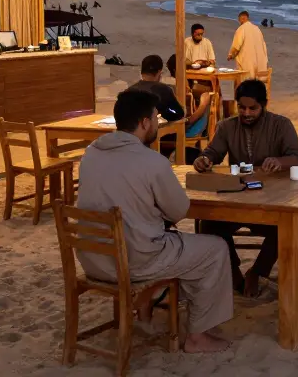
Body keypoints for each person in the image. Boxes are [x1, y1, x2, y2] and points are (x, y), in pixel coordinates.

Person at [75, 89, 232, 353]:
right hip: (133, 262)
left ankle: (149, 308)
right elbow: (179, 210)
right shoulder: (151, 161)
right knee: (214, 249)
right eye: (156, 118)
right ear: (144, 123)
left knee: (160, 237)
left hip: (94, 260)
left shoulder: (91, 153)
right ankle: (197, 336)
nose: (158, 124)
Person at [193, 79, 298, 297]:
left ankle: (257, 273)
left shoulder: (281, 125)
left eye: (252, 108)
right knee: (208, 223)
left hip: (271, 202)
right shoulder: (227, 126)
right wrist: (204, 159)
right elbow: (213, 152)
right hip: (236, 199)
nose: (246, 113)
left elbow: (297, 157)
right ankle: (233, 271)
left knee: (291, 227)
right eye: (242, 107)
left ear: (264, 105)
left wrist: (280, 162)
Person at [165, 55, 210, 165]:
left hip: (185, 126)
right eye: (186, 68)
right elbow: (188, 119)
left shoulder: (181, 87)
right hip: (187, 126)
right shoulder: (180, 88)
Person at [128, 54, 186, 123]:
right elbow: (179, 114)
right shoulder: (163, 90)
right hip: (153, 131)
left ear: (141, 72)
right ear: (159, 72)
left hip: (132, 129)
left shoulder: (130, 90)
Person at [228, 11, 269, 77]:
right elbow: (264, 47)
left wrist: (230, 55)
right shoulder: (257, 29)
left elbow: (236, 46)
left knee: (239, 80)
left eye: (239, 20)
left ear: (241, 19)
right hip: (261, 70)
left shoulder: (241, 29)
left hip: (247, 69)